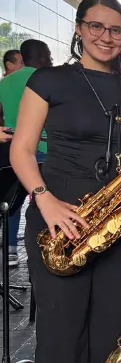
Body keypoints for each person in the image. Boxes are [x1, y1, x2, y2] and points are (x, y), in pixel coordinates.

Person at [10, 0, 121, 363]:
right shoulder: (49, 79)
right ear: (79, 27)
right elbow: (23, 150)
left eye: (116, 30)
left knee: (108, 324)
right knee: (62, 327)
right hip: (61, 212)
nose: (106, 36)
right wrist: (44, 199)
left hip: (115, 216)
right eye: (97, 26)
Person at [0, 39, 52, 266]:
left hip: (11, 152)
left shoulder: (5, 83)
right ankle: (44, 249)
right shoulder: (47, 80)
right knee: (43, 200)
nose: (50, 60)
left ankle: (10, 250)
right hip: (44, 150)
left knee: (12, 202)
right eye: (48, 55)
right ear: (40, 56)